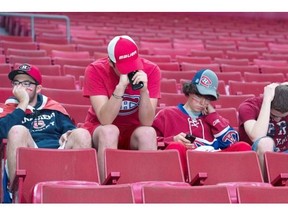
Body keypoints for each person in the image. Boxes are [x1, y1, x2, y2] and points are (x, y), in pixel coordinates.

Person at [0, 63, 92, 202]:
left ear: (38, 88)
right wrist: (23, 104)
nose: (21, 87)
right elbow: (2, 132)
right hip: (28, 157)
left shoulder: (54, 107)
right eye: (17, 83)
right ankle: (17, 197)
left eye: (26, 83)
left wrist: (69, 133)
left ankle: (79, 196)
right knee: (18, 131)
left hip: (58, 155)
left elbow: (70, 129)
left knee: (82, 133)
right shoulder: (7, 109)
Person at [82, 35, 161, 182]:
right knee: (110, 131)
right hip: (100, 129)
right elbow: (105, 119)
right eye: (125, 67)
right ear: (111, 63)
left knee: (148, 133)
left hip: (133, 131)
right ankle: (106, 190)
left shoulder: (151, 70)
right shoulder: (95, 70)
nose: (131, 70)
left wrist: (144, 91)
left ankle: (144, 190)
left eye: (133, 64)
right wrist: (120, 87)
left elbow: (147, 122)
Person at [152, 69, 252, 179]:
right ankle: (181, 184)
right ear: (190, 91)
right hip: (185, 163)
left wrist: (213, 116)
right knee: (176, 146)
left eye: (207, 99)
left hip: (214, 163)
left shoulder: (214, 119)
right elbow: (148, 143)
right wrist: (172, 140)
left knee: (244, 147)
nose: (203, 103)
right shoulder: (167, 114)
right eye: (199, 96)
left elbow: (232, 141)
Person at [238, 82, 288, 181]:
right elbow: (257, 137)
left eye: (282, 116)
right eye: (274, 116)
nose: (278, 120)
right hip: (256, 158)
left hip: (284, 154)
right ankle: (266, 186)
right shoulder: (249, 106)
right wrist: (267, 101)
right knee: (265, 143)